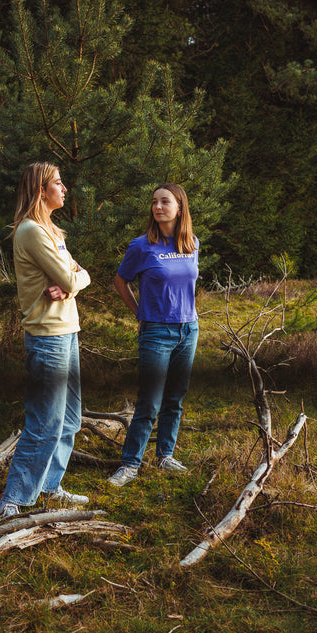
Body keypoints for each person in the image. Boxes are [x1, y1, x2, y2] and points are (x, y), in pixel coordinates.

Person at [0, 162, 92, 518]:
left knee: (69, 419)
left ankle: (50, 487)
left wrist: (73, 282)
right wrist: (72, 282)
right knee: (44, 422)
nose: (64, 188)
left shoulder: (54, 232)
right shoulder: (32, 231)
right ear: (40, 190)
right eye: (58, 183)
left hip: (68, 333)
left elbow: (81, 276)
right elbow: (71, 280)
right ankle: (13, 500)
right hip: (47, 338)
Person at [108, 183, 199, 487]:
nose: (158, 207)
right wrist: (138, 310)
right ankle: (130, 465)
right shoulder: (141, 246)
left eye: (165, 201)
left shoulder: (192, 243)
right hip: (156, 331)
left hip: (188, 329)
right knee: (149, 401)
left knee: (175, 398)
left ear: (180, 207)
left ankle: (165, 456)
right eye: (154, 202)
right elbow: (120, 281)